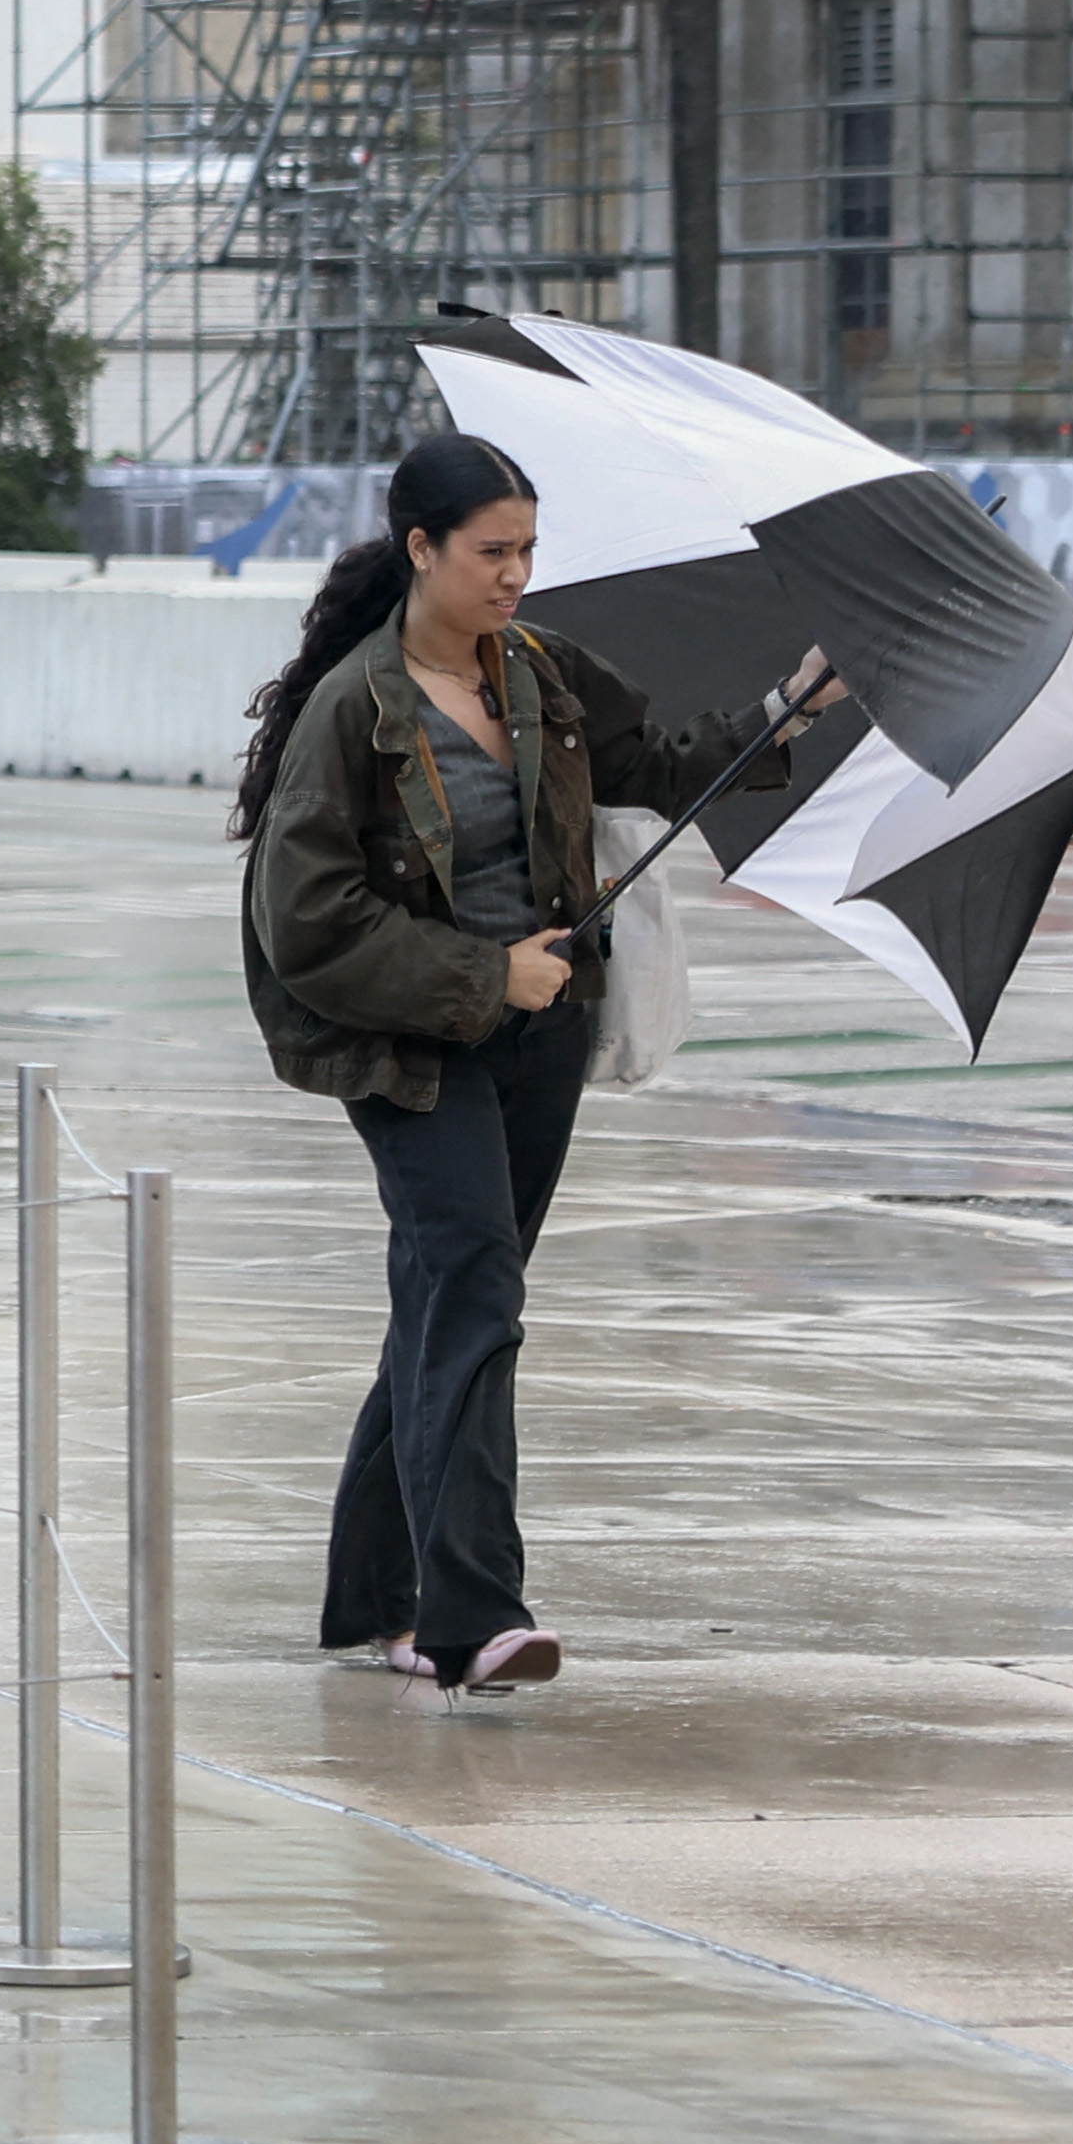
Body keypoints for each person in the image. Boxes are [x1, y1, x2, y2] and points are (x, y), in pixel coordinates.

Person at [229, 432, 835, 1694]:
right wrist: (484, 975)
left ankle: (373, 1598)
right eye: (492, 551)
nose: (514, 575)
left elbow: (658, 768)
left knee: (450, 1301)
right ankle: (474, 1617)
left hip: (542, 1036)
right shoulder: (356, 708)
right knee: (478, 1291)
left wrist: (786, 709)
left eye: (527, 551)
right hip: (411, 1050)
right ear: (421, 549)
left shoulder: (541, 674)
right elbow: (307, 924)